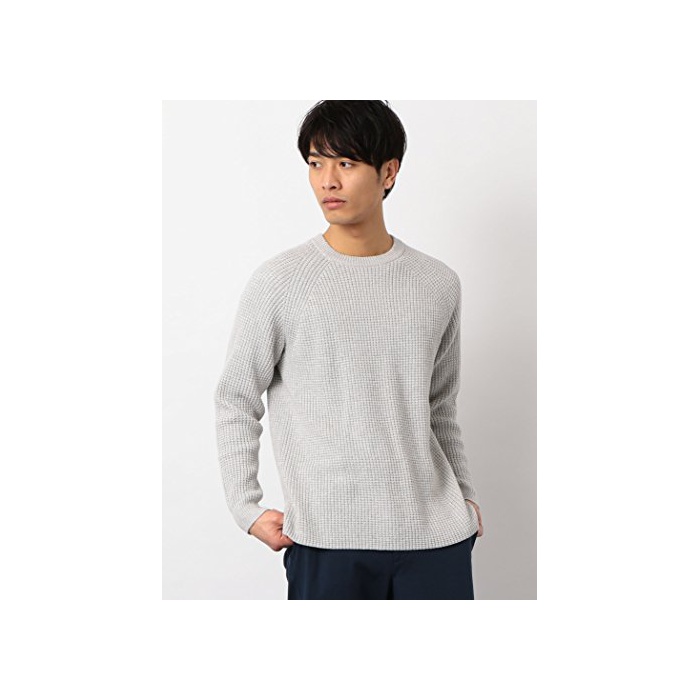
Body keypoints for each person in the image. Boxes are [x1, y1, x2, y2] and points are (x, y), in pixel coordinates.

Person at [214, 100, 484, 600]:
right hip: (327, 541)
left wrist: (465, 498)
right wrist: (245, 508)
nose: (328, 181)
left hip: (437, 541)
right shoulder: (280, 282)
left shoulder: (437, 283)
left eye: (346, 163)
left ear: (388, 172)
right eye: (316, 163)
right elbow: (235, 397)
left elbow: (440, 406)